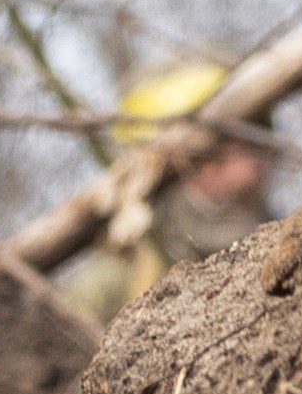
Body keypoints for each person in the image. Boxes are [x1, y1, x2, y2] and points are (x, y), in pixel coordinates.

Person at [58, 60, 276, 324]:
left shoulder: (301, 251)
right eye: (215, 153)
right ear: (157, 171)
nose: (249, 171)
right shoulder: (107, 292)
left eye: (257, 141)